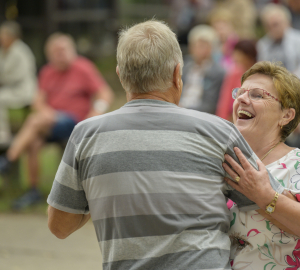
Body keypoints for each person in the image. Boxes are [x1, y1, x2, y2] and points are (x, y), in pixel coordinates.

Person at [46, 20, 284, 270]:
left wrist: (99, 192)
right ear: (176, 73)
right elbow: (272, 207)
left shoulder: (85, 135)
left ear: (120, 74)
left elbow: (59, 226)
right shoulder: (220, 132)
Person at [222, 61, 300, 269]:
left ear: (286, 115)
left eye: (257, 95)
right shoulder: (224, 160)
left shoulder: (298, 162)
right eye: (240, 92)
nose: (241, 99)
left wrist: (266, 197)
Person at [0, 33, 114, 209]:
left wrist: (95, 113)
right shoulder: (47, 72)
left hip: (75, 123)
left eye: (64, 50)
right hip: (50, 123)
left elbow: (105, 93)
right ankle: (34, 190)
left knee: (35, 121)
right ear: (49, 54)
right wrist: (47, 113)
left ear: (72, 50)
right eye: (56, 51)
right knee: (34, 142)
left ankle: (7, 160)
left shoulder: (83, 68)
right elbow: (37, 101)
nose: (61, 54)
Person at [0, 21, 37, 142]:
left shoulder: (21, 51)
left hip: (22, 89)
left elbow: (19, 76)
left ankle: (2, 132)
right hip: (5, 87)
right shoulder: (0, 52)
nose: (0, 39)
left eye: (3, 35)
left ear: (12, 36)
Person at [257, 4, 300, 79]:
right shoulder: (263, 44)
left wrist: (291, 78)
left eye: (275, 24)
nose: (272, 29)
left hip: (297, 83)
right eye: (268, 26)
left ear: (287, 22)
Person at [179, 25, 225, 114]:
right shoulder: (184, 65)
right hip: (179, 108)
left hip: (200, 114)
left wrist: (184, 109)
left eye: (204, 46)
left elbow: (210, 105)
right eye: (198, 46)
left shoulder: (218, 72)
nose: (200, 50)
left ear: (212, 48)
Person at [216, 39, 257, 121]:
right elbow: (225, 100)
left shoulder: (259, 74)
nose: (235, 58)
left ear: (248, 56)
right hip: (234, 116)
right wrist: (221, 121)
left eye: (239, 55)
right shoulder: (234, 73)